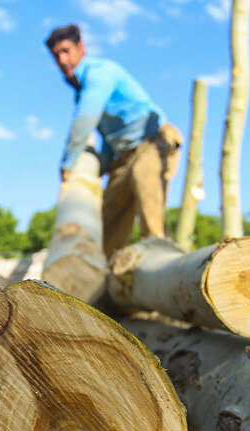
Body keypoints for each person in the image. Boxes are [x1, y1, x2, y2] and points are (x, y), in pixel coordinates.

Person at [46, 24, 182, 258]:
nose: (62, 60)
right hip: (124, 154)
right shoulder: (81, 90)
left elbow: (85, 119)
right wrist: (101, 167)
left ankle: (162, 266)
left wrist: (68, 164)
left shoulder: (99, 73)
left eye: (66, 51)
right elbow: (108, 137)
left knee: (151, 218)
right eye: (56, 55)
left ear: (81, 47)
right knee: (108, 222)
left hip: (152, 142)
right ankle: (103, 275)